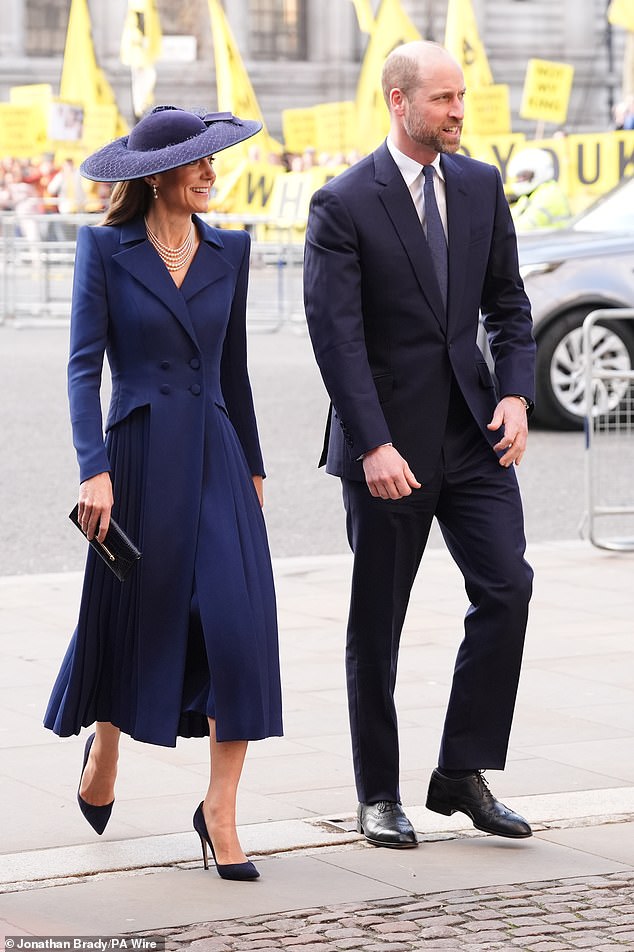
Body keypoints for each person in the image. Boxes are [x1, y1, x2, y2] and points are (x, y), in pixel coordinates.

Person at [304, 42, 535, 850]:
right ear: (398, 102)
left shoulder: (480, 184)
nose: (459, 111)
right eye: (443, 99)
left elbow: (508, 302)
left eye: (461, 96)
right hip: (387, 450)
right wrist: (371, 444)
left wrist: (514, 390)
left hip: (474, 437)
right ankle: (378, 794)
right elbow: (335, 339)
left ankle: (460, 772)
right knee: (379, 621)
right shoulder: (342, 202)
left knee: (508, 589)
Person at [44, 106, 283, 881]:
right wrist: (93, 466)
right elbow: (85, 367)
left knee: (238, 631)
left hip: (216, 453)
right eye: (198, 163)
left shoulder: (233, 250)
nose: (213, 172)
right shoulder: (104, 250)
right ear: (156, 178)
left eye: (214, 160)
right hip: (138, 455)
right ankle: (105, 743)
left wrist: (252, 465)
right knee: (136, 617)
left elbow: (235, 369)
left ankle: (220, 811)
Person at [506, 147, 571, 231]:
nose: (520, 180)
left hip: (556, 242)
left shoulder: (549, 194)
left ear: (539, 173)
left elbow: (524, 228)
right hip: (544, 242)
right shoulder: (531, 195)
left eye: (524, 176)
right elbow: (509, 217)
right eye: (518, 177)